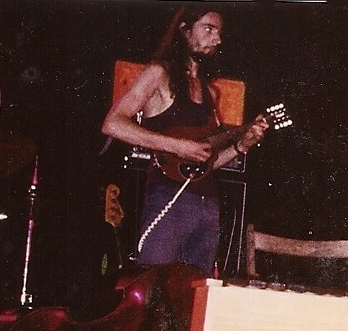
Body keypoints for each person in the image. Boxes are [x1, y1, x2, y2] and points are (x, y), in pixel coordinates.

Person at [101, 5, 269, 275]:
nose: (217, 39)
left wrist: (242, 145)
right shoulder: (158, 73)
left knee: (197, 290)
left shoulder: (210, 92)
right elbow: (112, 123)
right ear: (185, 30)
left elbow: (206, 163)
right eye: (208, 29)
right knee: (157, 285)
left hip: (207, 208)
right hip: (168, 199)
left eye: (219, 32)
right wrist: (177, 146)